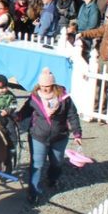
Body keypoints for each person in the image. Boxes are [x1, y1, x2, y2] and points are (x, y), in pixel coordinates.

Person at [15, 68, 83, 204]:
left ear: (53, 85)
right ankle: (33, 191)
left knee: (57, 162)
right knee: (37, 164)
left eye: (48, 86)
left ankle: (52, 178)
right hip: (38, 136)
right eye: (42, 86)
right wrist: (17, 117)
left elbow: (72, 115)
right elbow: (26, 111)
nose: (45, 89)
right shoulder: (35, 97)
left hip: (59, 136)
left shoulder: (64, 98)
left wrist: (77, 133)